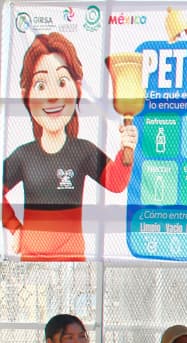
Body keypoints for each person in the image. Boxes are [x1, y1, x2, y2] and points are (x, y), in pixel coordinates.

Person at [3, 32, 137, 261]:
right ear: (26, 96)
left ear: (76, 90)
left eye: (62, 82)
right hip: (32, 263)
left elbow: (115, 183)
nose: (53, 97)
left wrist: (127, 150)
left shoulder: (82, 151)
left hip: (72, 263)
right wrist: (13, 226)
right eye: (41, 85)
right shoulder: (23, 156)